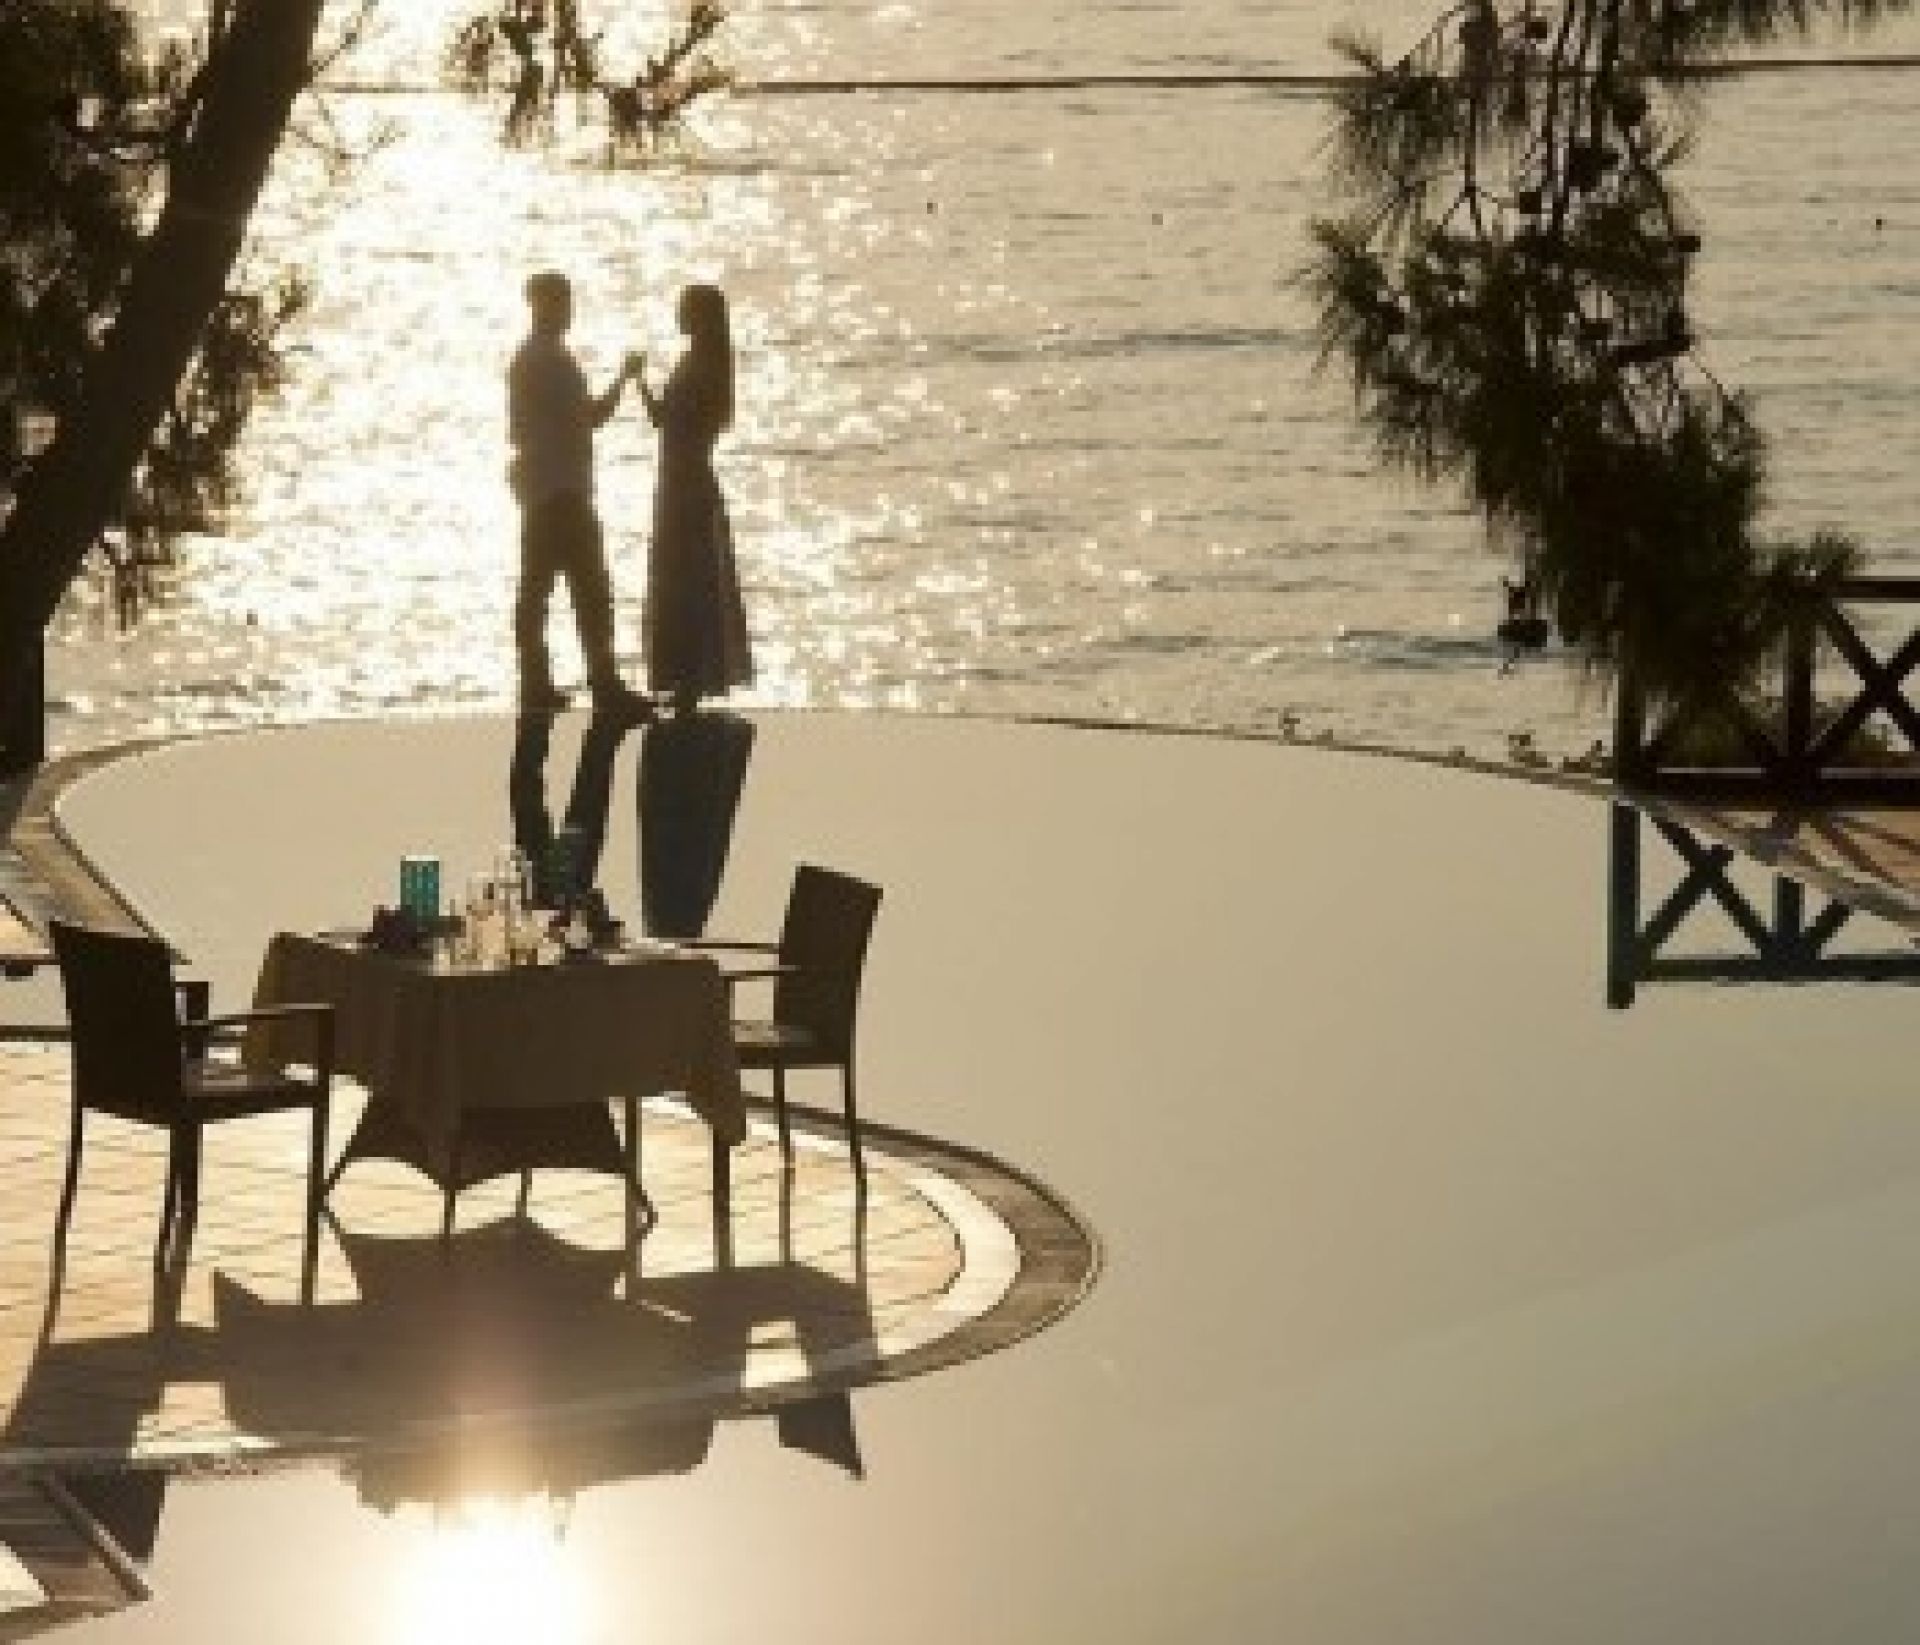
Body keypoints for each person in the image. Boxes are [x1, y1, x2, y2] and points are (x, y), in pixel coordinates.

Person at [507, 270, 653, 722]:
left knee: (538, 587)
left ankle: (536, 681)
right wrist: (625, 378)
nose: (568, 310)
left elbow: (519, 429)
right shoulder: (552, 361)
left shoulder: (528, 359)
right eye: (561, 302)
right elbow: (591, 416)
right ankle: (601, 682)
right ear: (543, 305)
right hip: (563, 489)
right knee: (589, 589)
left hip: (543, 487)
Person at [636, 283, 753, 714]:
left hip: (687, 481)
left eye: (684, 310)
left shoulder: (704, 367)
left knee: (687, 578)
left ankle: (690, 675)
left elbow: (683, 423)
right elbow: (664, 420)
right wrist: (638, 383)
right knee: (680, 576)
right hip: (679, 477)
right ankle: (683, 675)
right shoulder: (697, 362)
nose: (678, 316)